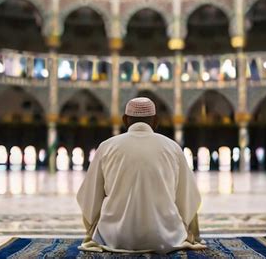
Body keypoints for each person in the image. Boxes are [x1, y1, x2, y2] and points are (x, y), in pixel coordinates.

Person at [77, 97, 205, 254]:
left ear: (125, 120)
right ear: (156, 121)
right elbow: (189, 199)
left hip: (114, 237)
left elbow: (88, 199)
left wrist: (93, 229)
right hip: (167, 237)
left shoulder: (106, 147)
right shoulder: (173, 148)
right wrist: (188, 231)